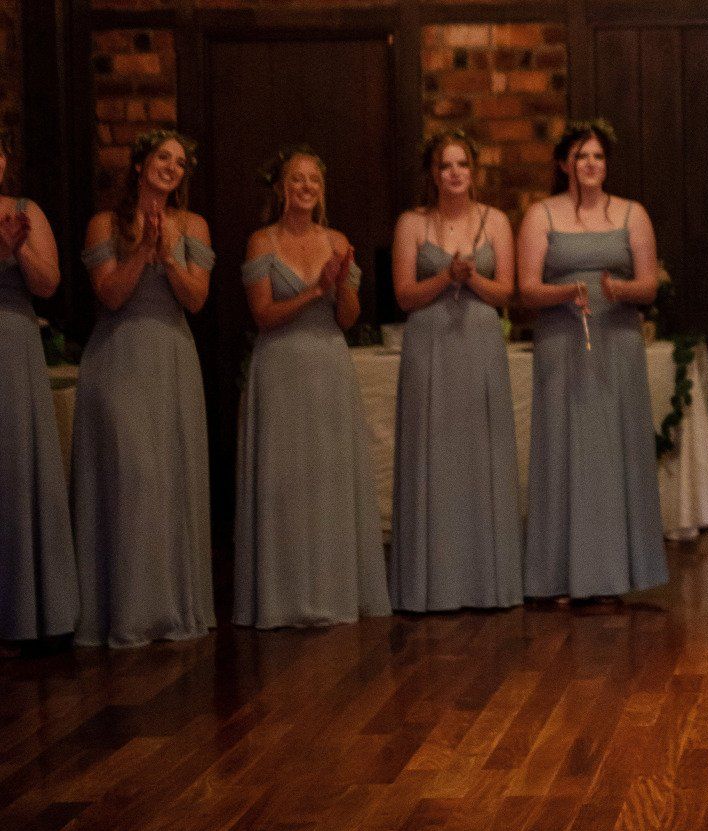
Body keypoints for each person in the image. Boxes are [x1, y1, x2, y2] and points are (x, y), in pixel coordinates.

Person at [234, 147, 390, 629]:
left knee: (327, 479)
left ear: (321, 191)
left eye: (313, 181)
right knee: (284, 483)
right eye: (296, 179)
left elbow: (347, 318)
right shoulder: (262, 242)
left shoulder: (337, 240)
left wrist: (340, 287)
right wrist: (313, 291)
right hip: (279, 368)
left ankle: (330, 590)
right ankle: (282, 598)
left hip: (327, 367)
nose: (305, 187)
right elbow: (263, 315)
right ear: (281, 188)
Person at [72, 130, 215, 647]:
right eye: (162, 157)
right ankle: (127, 614)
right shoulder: (103, 225)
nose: (171, 167)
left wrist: (169, 257)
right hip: (119, 358)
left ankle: (172, 610)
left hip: (173, 356)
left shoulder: (192, 225)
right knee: (132, 480)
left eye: (180, 161)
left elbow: (196, 300)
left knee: (170, 481)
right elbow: (110, 295)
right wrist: (141, 254)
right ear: (141, 165)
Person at [516, 120, 669, 604]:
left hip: (617, 339)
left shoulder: (632, 214)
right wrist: (565, 293)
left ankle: (619, 574)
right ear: (564, 164)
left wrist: (619, 290)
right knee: (563, 450)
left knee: (614, 450)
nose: (591, 165)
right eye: (582, 157)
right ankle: (559, 576)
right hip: (562, 339)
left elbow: (648, 285)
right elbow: (526, 289)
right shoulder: (541, 215)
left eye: (598, 157)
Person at [388, 130, 522, 613]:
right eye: (446, 166)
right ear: (432, 173)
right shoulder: (411, 223)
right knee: (434, 455)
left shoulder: (498, 221)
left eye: (462, 164)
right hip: (430, 344)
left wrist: (473, 279)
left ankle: (488, 583)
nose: (455, 173)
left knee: (480, 454)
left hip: (480, 342)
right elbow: (404, 294)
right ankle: (431, 584)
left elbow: (506, 291)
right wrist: (446, 277)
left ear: (474, 170)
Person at [0, 130, 77, 653]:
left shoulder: (24, 211)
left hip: (11, 342)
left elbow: (49, 283)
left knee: (13, 468)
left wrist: (17, 248)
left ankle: (21, 615)